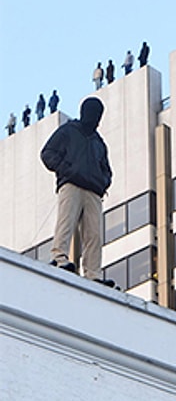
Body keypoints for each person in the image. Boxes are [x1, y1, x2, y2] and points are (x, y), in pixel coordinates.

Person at [40, 97, 114, 286]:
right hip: (71, 184)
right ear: (85, 113)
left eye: (99, 115)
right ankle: (59, 258)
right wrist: (67, 169)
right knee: (66, 221)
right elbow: (47, 153)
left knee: (94, 234)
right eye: (94, 113)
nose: (96, 118)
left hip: (93, 191)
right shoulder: (69, 131)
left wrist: (102, 182)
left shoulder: (99, 142)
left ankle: (93, 273)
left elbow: (107, 170)